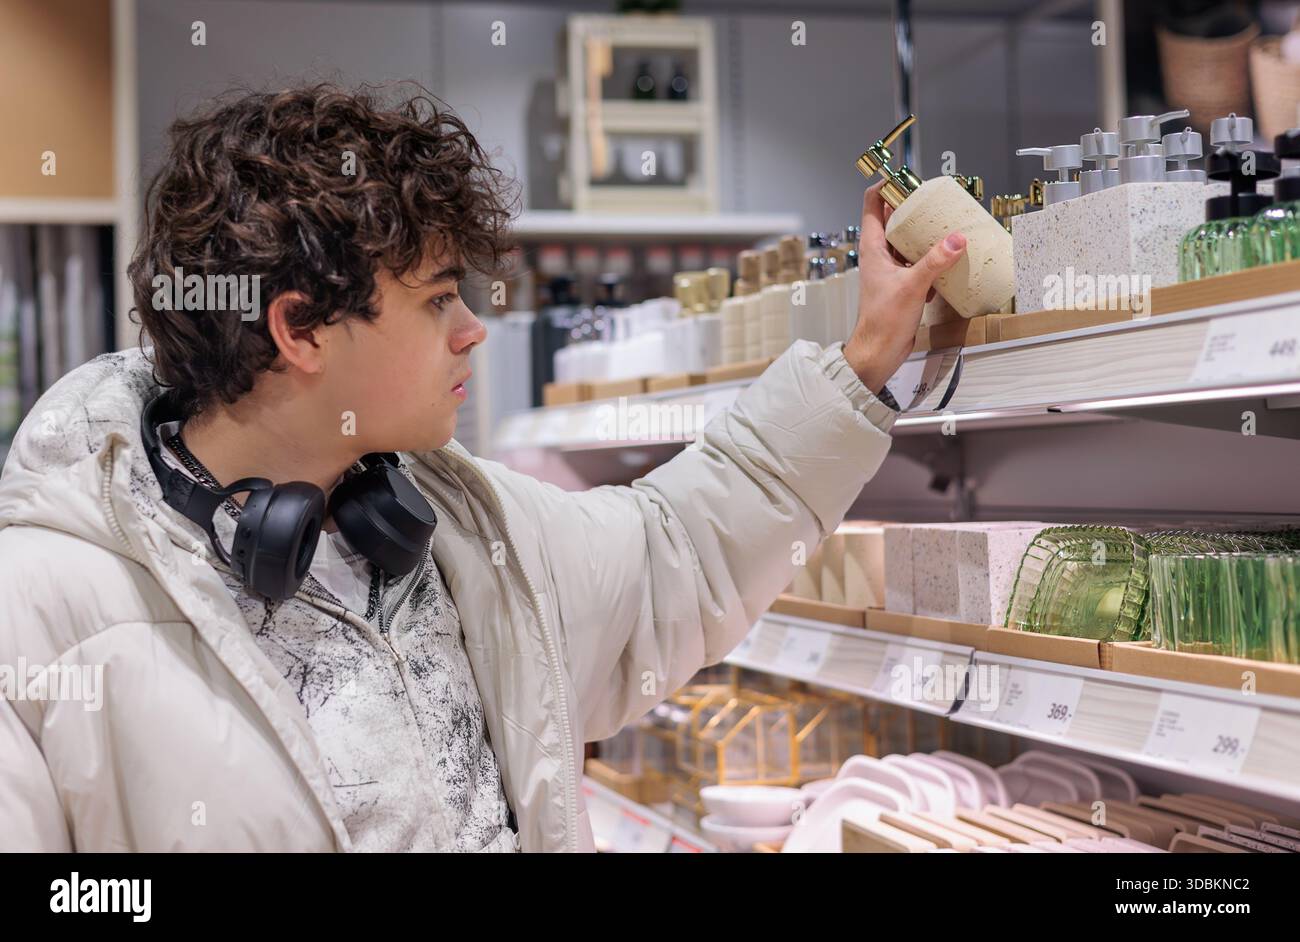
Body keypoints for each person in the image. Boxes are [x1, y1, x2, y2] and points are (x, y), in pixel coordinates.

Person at [0, 84, 965, 852]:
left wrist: (866, 358)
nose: (473, 330)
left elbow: (679, 547)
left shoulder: (466, 526)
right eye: (434, 301)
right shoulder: (39, 611)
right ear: (298, 329)